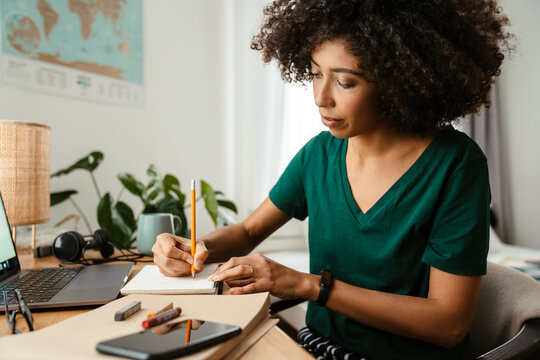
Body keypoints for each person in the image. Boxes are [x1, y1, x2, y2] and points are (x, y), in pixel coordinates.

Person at [152, 1, 512, 359]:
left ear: (398, 80)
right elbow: (247, 232)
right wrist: (197, 248)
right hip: (319, 348)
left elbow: (448, 325)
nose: (321, 98)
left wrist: (307, 286)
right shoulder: (319, 155)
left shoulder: (456, 165)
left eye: (344, 81)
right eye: (314, 74)